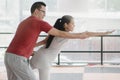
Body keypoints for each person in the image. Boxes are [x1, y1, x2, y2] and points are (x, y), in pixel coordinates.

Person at [4, 1, 114, 80]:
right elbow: (67, 33)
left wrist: (31, 49)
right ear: (37, 11)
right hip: (22, 58)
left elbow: (30, 41)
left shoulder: (24, 22)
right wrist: (102, 33)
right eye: (43, 12)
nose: (44, 15)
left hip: (9, 56)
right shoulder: (40, 23)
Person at [30, 15, 114, 80]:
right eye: (72, 23)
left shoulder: (55, 32)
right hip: (45, 61)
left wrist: (30, 47)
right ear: (66, 25)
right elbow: (86, 33)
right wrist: (105, 33)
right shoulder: (66, 34)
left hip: (38, 55)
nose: (74, 25)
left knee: (19, 75)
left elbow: (44, 41)